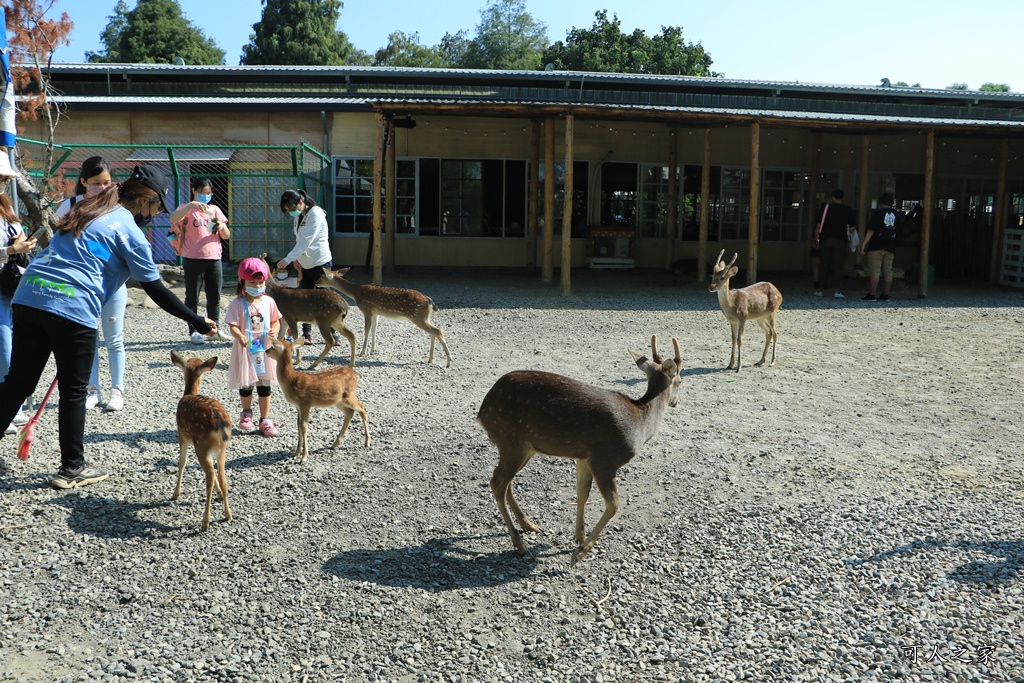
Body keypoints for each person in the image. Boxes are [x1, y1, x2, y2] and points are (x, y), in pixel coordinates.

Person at [0, 165, 218, 490]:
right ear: (145, 199)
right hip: (72, 305)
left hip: (29, 295)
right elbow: (156, 289)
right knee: (75, 391)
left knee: (18, 382)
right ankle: (72, 467)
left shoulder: (88, 210)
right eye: (157, 208)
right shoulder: (129, 230)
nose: (156, 215)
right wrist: (198, 320)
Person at [54, 156, 126, 412]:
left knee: (114, 338)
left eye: (107, 183)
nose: (103, 188)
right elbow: (61, 245)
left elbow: (122, 247)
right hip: (81, 284)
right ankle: (92, 389)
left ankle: (117, 390)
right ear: (83, 181)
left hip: (113, 283)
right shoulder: (69, 206)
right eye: (96, 183)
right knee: (88, 337)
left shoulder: (118, 208)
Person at [169, 177, 230, 345]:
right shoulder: (186, 209)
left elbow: (226, 235)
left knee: (214, 296)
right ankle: (194, 331)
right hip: (192, 258)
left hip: (214, 258)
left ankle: (213, 329)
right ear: (194, 191)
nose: (205, 196)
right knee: (192, 297)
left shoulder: (215, 209)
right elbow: (173, 219)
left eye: (208, 193)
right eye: (202, 193)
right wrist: (191, 205)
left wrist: (221, 227)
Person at [224, 257, 281, 437]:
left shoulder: (269, 302)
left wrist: (275, 331)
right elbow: (232, 325)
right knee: (246, 383)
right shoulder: (237, 304)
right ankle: (246, 412)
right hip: (246, 349)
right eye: (252, 282)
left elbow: (275, 320)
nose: (257, 286)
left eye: (260, 282)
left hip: (265, 349)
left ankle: (265, 418)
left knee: (264, 385)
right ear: (242, 281)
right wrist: (239, 335)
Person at [0, 156, 36, 435]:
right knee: (4, 347)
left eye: (6, 178)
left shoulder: (6, 207)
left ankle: (15, 407)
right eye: (1, 177)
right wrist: (12, 250)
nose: (4, 182)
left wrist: (22, 243)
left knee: (13, 344)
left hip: (10, 285)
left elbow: (16, 236)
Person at [276, 189, 337, 345]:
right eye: (288, 211)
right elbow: (299, 239)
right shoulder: (300, 216)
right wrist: (298, 260)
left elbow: (306, 241)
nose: (290, 213)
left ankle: (333, 333)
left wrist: (289, 259)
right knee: (305, 299)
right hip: (305, 264)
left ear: (301, 202)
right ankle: (307, 334)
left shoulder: (315, 214)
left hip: (320, 262)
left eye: (291, 209)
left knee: (325, 298)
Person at [813, 189, 857, 299]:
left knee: (824, 265)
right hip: (840, 241)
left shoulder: (825, 208)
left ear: (833, 197)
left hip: (825, 240)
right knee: (838, 266)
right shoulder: (848, 210)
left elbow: (818, 226)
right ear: (842, 198)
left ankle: (820, 290)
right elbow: (852, 228)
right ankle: (837, 291)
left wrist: (815, 239)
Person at [859, 193, 899, 301]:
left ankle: (872, 294)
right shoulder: (896, 214)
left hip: (876, 246)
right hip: (890, 246)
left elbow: (871, 230)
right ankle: (885, 294)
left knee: (875, 272)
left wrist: (863, 244)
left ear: (881, 203)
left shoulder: (877, 213)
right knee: (888, 271)